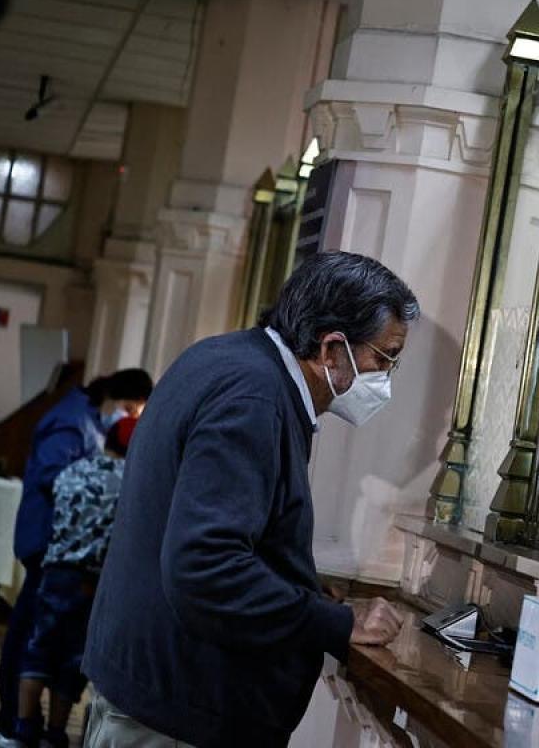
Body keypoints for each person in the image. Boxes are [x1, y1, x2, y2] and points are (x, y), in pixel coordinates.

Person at [82, 252, 414, 748]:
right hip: (177, 716)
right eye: (384, 359)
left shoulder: (226, 358)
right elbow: (205, 565)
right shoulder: (253, 398)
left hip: (156, 693)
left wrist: (307, 591)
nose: (385, 377)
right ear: (332, 348)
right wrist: (337, 624)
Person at [0, 369, 153, 739]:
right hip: (58, 554)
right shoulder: (72, 424)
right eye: (131, 409)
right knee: (56, 652)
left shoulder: (83, 435)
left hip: (57, 559)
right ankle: (28, 725)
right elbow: (52, 476)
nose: (129, 415)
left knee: (38, 645)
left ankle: (22, 723)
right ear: (117, 399)